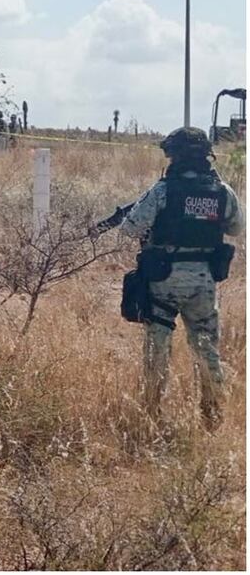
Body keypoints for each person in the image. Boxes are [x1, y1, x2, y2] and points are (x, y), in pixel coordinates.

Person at [118, 127, 243, 430]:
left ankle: (151, 414)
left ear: (173, 155)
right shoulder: (222, 191)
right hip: (203, 282)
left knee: (157, 349)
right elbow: (236, 228)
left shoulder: (163, 190)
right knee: (206, 348)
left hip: (164, 278)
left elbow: (130, 228)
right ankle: (212, 416)